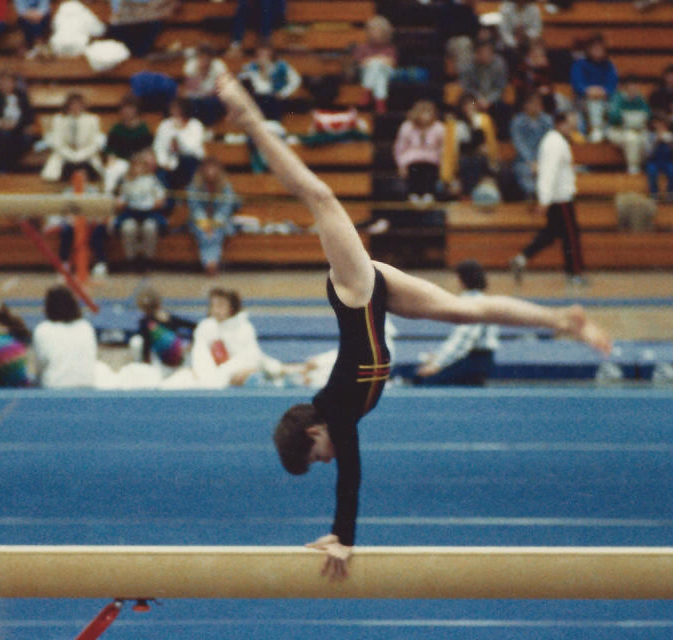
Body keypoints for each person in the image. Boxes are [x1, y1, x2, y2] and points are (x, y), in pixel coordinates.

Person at [213, 71, 611, 581]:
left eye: (316, 456)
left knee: (320, 198)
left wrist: (343, 536)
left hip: (356, 291)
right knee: (467, 309)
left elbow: (349, 477)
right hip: (379, 295)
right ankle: (561, 318)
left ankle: (250, 119)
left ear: (314, 431)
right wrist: (342, 534)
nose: (327, 461)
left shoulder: (335, 410)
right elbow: (350, 474)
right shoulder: (341, 421)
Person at [509, 111, 585, 283]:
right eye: (570, 121)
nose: (573, 125)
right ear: (561, 123)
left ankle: (521, 259)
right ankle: (575, 273)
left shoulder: (555, 141)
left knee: (550, 234)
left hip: (557, 196)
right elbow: (548, 172)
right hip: (560, 198)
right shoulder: (555, 143)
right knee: (570, 236)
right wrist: (544, 199)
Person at [414, 260, 500, 386]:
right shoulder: (482, 300)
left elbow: (462, 342)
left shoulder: (471, 303)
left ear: (462, 279)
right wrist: (436, 358)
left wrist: (436, 365)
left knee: (423, 380)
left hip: (474, 362)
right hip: (481, 361)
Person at [192, 287, 273, 386]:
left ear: (231, 307)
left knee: (268, 367)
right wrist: (210, 377)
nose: (216, 310)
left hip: (242, 369)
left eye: (220, 305)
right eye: (213, 305)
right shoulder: (205, 327)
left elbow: (250, 357)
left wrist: (226, 373)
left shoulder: (244, 327)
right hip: (213, 375)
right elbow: (200, 356)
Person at [33, 284, 98, 387]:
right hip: (87, 388)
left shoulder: (43, 330)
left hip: (54, 389)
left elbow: (39, 368)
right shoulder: (86, 327)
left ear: (48, 307)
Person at [113, 148, 167, 269]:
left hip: (149, 211)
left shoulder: (152, 180)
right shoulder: (126, 181)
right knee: (128, 227)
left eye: (140, 166)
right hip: (131, 212)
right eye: (135, 166)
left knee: (150, 227)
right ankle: (130, 259)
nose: (138, 169)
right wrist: (120, 203)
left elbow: (160, 196)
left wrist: (157, 202)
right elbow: (122, 197)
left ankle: (148, 259)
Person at [186, 157, 240, 274]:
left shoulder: (226, 186)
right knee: (203, 232)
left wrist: (214, 223)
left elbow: (226, 207)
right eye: (207, 168)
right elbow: (194, 207)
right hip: (199, 220)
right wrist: (205, 223)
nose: (210, 171)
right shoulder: (194, 186)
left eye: (213, 168)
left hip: (220, 220)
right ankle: (209, 262)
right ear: (202, 170)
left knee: (217, 231)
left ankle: (212, 262)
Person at [441, 91, 498, 198]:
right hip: (461, 163)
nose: (469, 107)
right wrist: (448, 176)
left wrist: (491, 160)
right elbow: (449, 150)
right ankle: (466, 193)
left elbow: (491, 146)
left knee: (477, 160)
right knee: (467, 162)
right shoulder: (453, 123)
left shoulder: (484, 120)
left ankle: (478, 191)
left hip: (481, 160)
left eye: (471, 104)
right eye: (465, 104)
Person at [40, 92, 105, 183]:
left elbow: (94, 144)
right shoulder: (58, 120)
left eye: (79, 104)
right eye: (72, 104)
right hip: (64, 156)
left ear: (83, 106)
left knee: (87, 169)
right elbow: (58, 144)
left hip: (86, 156)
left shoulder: (93, 120)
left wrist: (79, 156)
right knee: (58, 171)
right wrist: (72, 156)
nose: (75, 107)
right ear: (67, 106)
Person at [393, 100, 444, 203]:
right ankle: (413, 194)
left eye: (428, 112)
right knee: (415, 169)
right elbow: (399, 149)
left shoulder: (439, 128)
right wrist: (401, 166)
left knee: (429, 169)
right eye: (422, 112)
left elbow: (442, 148)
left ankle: (429, 194)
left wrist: (443, 165)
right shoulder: (407, 127)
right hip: (412, 160)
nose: (425, 116)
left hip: (432, 160)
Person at [131, 287, 196, 368]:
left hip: (172, 356)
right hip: (167, 357)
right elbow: (145, 344)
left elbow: (193, 325)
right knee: (138, 341)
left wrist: (191, 343)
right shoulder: (150, 321)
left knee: (137, 341)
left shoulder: (150, 322)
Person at [570, 33, 618, 142]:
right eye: (594, 47)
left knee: (610, 103)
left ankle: (604, 132)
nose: (597, 50)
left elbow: (612, 86)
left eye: (600, 47)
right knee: (593, 103)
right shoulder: (579, 64)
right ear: (588, 49)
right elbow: (577, 85)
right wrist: (589, 91)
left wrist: (602, 92)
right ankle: (594, 131)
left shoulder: (609, 65)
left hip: (604, 100)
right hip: (583, 100)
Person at [237, 43, 301, 121]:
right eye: (260, 52)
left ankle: (274, 124)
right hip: (258, 98)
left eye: (264, 52)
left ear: (270, 53)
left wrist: (284, 93)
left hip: (277, 98)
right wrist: (260, 71)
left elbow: (295, 79)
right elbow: (241, 81)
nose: (262, 55)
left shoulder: (281, 66)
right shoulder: (250, 67)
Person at [153, 97, 205, 193]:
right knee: (160, 173)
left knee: (187, 163)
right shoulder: (164, 125)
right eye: (172, 108)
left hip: (191, 162)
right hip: (169, 162)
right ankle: (170, 201)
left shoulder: (195, 125)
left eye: (177, 108)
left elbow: (192, 148)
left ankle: (189, 194)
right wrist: (163, 163)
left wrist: (179, 132)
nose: (174, 111)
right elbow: (159, 147)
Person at [103, 95, 153, 194]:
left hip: (138, 162)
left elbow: (147, 150)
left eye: (130, 108)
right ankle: (108, 196)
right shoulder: (116, 129)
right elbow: (110, 150)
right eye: (124, 108)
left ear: (136, 110)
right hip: (121, 162)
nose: (127, 111)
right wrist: (111, 160)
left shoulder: (143, 129)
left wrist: (140, 163)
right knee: (111, 170)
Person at [0, 71, 34, 172]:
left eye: (9, 82)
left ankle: (0, 163)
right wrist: (2, 123)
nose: (6, 85)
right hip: (2, 129)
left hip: (19, 129)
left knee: (26, 139)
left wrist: (16, 124)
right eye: (3, 82)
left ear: (14, 84)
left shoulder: (22, 96)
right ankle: (9, 167)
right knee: (5, 136)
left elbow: (28, 116)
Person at [458, 39, 509, 132]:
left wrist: (489, 100)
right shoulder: (467, 65)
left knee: (502, 107)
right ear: (477, 53)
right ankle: (473, 137)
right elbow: (466, 86)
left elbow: (500, 87)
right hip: (473, 100)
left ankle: (499, 138)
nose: (487, 56)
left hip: (493, 100)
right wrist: (477, 98)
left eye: (489, 53)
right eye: (483, 53)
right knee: (467, 107)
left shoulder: (499, 64)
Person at [510, 91, 553, 200]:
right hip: (524, 160)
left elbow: (549, 141)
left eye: (538, 104)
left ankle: (546, 200)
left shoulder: (547, 120)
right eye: (533, 104)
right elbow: (519, 143)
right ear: (526, 105)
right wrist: (531, 161)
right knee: (524, 172)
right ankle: (532, 198)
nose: (536, 107)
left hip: (544, 159)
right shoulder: (517, 121)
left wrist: (540, 161)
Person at [606, 75, 651, 175]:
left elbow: (647, 114)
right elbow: (614, 117)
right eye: (631, 86)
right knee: (632, 139)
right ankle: (633, 169)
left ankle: (644, 167)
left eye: (635, 86)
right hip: (617, 130)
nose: (633, 89)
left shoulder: (640, 99)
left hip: (638, 129)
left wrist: (632, 118)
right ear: (625, 88)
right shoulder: (617, 99)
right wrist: (629, 118)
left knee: (645, 139)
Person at [354, 15, 397, 115]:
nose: (376, 34)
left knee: (377, 66)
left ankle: (367, 92)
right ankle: (380, 103)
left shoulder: (390, 48)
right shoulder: (363, 47)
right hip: (367, 72)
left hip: (387, 72)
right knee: (379, 74)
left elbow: (391, 63)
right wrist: (379, 60)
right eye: (373, 31)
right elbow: (361, 63)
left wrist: (374, 60)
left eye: (379, 32)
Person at [181, 45, 228, 126]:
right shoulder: (191, 66)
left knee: (210, 103)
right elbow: (191, 87)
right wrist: (199, 72)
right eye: (201, 57)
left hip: (214, 98)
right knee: (190, 104)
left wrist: (208, 93)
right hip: (197, 98)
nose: (203, 60)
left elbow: (221, 88)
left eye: (206, 58)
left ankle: (210, 127)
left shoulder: (219, 66)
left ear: (211, 59)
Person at [646, 115, 673, 199]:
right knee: (651, 171)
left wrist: (672, 143)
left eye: (662, 124)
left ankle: (671, 193)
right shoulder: (650, 136)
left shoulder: (670, 136)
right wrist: (656, 142)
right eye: (657, 124)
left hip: (667, 161)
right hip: (654, 161)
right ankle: (654, 194)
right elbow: (648, 153)